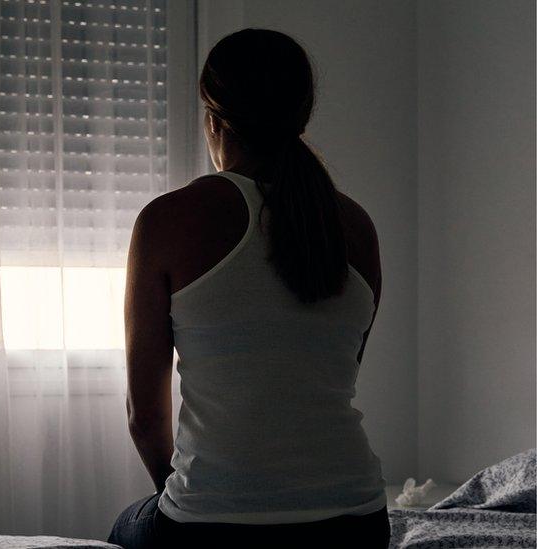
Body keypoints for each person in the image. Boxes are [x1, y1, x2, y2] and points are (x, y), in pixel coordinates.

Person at [108, 28, 390, 548]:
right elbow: (325, 379)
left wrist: (194, 499)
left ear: (213, 119)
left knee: (123, 529)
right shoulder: (356, 226)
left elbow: (144, 418)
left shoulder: (167, 221)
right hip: (358, 522)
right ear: (300, 116)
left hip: (214, 529)